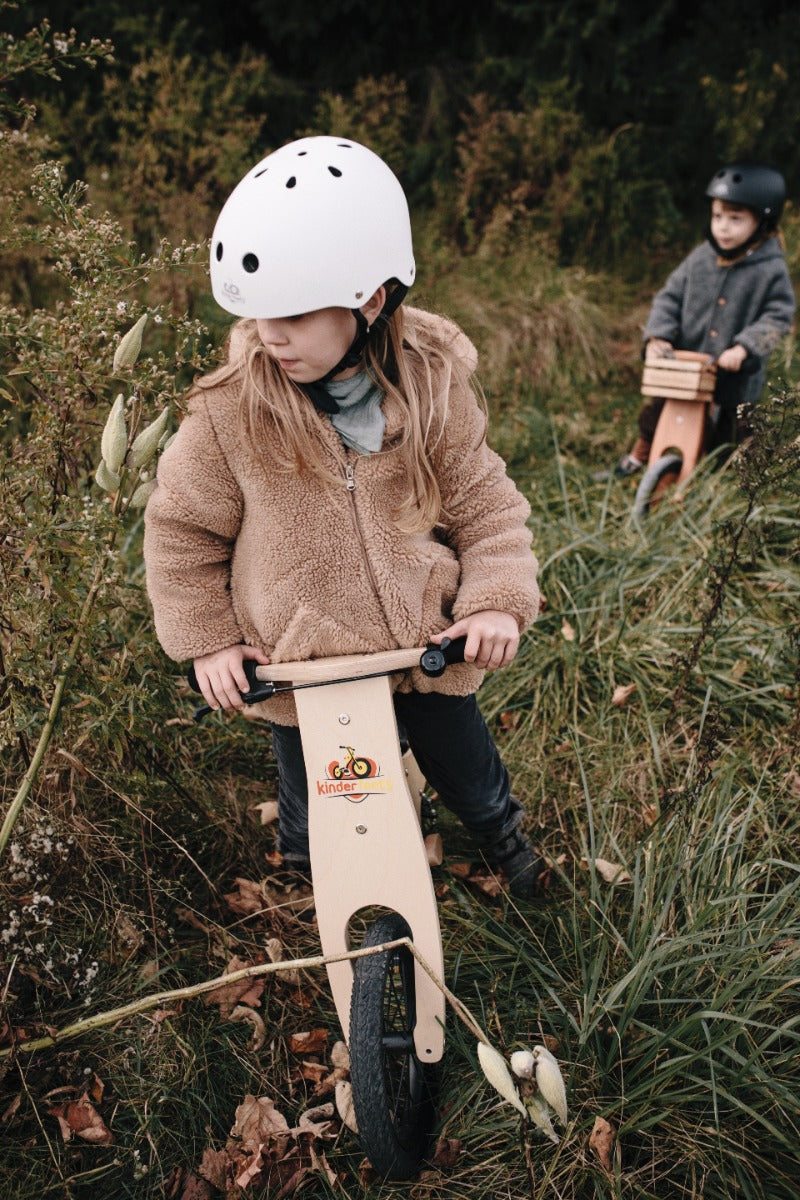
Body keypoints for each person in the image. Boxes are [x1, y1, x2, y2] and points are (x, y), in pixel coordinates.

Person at [143, 135, 544, 899]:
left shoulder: (431, 390)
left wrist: (495, 603)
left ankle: (503, 843)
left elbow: (487, 508)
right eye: (260, 314)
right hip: (307, 664)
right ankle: (303, 889)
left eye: (293, 313)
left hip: (427, 652)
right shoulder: (232, 410)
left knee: (471, 773)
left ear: (368, 298)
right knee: (310, 815)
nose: (271, 335)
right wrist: (209, 642)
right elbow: (182, 533)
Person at [612, 162, 795, 476]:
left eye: (735, 219)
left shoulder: (770, 269)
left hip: (733, 376)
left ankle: (733, 480)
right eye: (717, 216)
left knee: (734, 433)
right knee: (657, 413)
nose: (723, 227)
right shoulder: (701, 258)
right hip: (687, 366)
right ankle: (641, 454)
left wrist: (744, 348)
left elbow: (778, 317)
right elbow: (669, 297)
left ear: (762, 220)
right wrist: (659, 336)